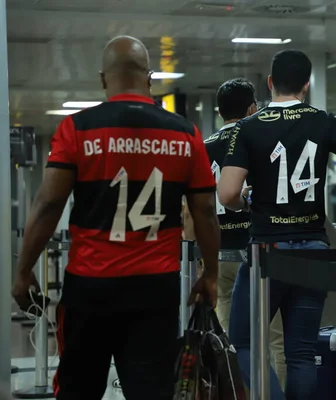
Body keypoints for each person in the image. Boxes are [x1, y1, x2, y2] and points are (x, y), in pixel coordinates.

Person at [11, 36, 220, 400]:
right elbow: (204, 210)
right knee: (151, 391)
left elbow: (48, 205)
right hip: (156, 288)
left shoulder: (77, 129)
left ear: (103, 79)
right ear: (150, 77)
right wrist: (211, 274)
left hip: (91, 287)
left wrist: (23, 269)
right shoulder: (185, 134)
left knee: (79, 387)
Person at [217, 49, 336, 399]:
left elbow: (227, 193)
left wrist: (248, 201)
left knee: (243, 341)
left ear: (270, 82)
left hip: (267, 251)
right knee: (301, 353)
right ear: (307, 85)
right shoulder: (323, 121)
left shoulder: (247, 128)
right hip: (314, 251)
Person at [184, 77, 288, 389]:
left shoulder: (203, 148)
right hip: (258, 256)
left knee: (230, 341)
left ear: (219, 112)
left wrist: (196, 255)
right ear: (253, 108)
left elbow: (191, 208)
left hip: (218, 257)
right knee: (276, 341)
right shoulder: (258, 139)